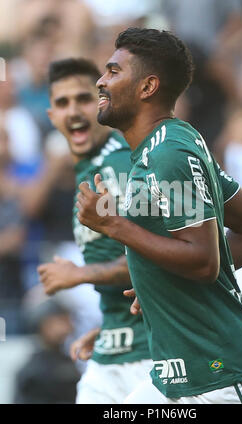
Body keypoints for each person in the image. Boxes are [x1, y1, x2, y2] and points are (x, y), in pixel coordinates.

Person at [76, 28, 242, 404]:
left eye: (114, 71)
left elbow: (203, 261)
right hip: (180, 380)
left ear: (147, 87)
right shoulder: (172, 144)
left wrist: (112, 224)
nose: (101, 81)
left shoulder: (168, 154)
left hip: (224, 379)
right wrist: (161, 280)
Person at [37, 58, 151, 404]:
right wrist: (108, 331)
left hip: (151, 356)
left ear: (105, 104)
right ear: (51, 116)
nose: (73, 111)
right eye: (62, 102)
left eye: (83, 99)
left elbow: (165, 259)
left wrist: (79, 274)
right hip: (111, 352)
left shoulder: (119, 167)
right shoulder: (92, 171)